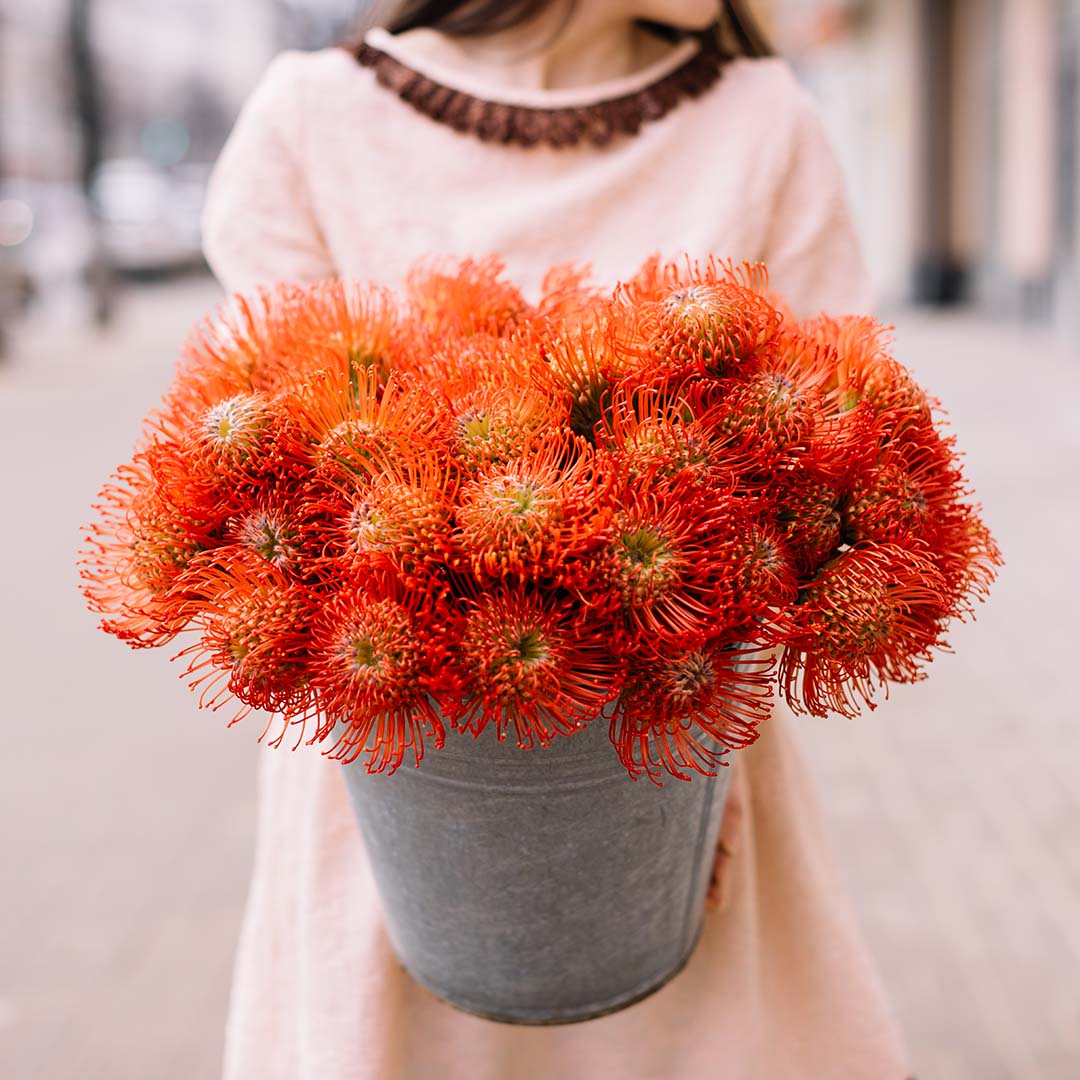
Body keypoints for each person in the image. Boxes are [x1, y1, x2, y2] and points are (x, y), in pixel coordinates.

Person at [202, 2, 913, 1076]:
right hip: (397, 771)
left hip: (679, 761)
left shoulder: (765, 121)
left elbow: (846, 430)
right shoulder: (309, 120)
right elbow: (264, 477)